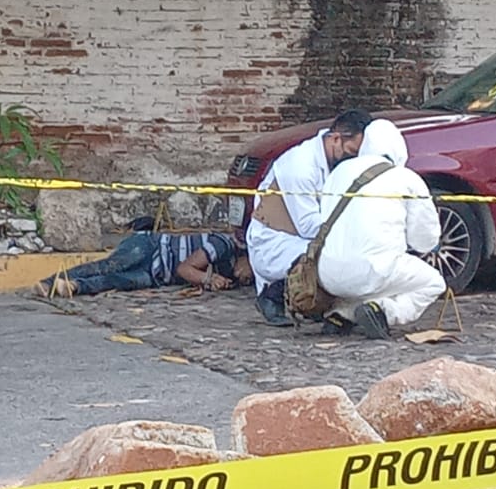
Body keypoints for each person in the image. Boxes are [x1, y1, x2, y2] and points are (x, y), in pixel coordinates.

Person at [315, 118, 446, 339]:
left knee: (362, 275)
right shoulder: (406, 178)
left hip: (325, 274)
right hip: (373, 271)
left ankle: (341, 314)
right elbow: (425, 241)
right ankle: (383, 312)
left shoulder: (338, 172)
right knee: (433, 283)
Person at [245, 109, 371, 326]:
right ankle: (272, 294)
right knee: (337, 257)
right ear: (335, 139)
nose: (353, 159)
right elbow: (309, 227)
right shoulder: (300, 167)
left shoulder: (333, 162)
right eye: (351, 152)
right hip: (277, 243)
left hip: (304, 240)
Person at [34, 229, 253, 297]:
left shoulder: (231, 274)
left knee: (116, 281)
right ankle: (50, 281)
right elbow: (184, 268)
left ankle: (74, 286)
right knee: (111, 266)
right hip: (151, 248)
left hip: (157, 275)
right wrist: (208, 278)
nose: (247, 279)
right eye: (251, 274)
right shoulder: (223, 244)